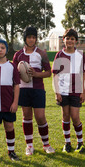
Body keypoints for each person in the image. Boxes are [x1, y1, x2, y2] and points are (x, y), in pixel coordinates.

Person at [12, 26, 55, 156]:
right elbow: (13, 74)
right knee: (27, 117)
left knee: (40, 117)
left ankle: (46, 144)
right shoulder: (18, 55)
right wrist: (19, 75)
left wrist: (36, 74)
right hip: (24, 90)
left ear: (36, 38)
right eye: (29, 37)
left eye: (33, 37)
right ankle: (29, 146)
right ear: (25, 38)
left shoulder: (41, 54)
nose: (31, 39)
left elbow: (48, 73)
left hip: (37, 90)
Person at [52, 28, 85, 153]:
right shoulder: (59, 55)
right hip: (63, 91)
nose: (70, 41)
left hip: (76, 90)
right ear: (64, 40)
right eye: (67, 38)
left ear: (76, 41)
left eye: (72, 39)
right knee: (65, 116)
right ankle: (67, 143)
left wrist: (83, 91)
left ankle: (80, 142)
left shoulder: (80, 55)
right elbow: (55, 75)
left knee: (75, 116)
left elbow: (84, 74)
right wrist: (57, 92)